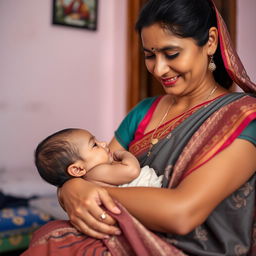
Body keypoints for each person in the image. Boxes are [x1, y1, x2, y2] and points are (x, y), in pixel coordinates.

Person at [22, 0, 256, 255]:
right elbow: (94, 168)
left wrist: (81, 189)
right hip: (121, 235)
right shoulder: (143, 112)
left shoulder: (243, 116)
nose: (159, 68)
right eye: (149, 55)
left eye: (171, 53)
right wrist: (70, 188)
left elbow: (181, 214)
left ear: (210, 42)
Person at [35, 128, 163, 188]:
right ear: (78, 169)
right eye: (95, 145)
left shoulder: (91, 177)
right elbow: (132, 171)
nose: (104, 144)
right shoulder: (95, 173)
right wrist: (123, 154)